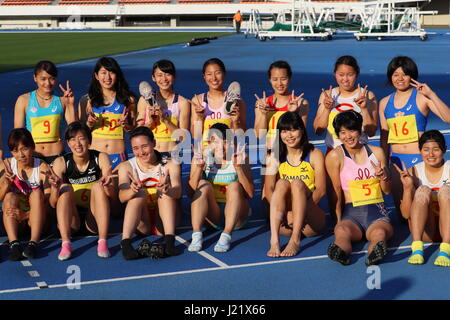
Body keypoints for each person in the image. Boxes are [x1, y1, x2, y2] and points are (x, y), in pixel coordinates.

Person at [378, 56, 450, 213]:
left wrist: (432, 95)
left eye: (405, 74)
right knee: (404, 214)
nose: (400, 78)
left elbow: (448, 118)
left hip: (418, 159)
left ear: (412, 76)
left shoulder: (422, 97)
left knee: (426, 208)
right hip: (396, 161)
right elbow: (384, 138)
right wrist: (385, 164)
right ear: (390, 76)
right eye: (396, 74)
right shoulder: (384, 103)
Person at [326, 111, 393, 266]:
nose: (348, 136)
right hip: (351, 214)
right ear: (337, 135)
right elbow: (335, 191)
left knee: (379, 233)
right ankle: (340, 251)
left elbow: (387, 190)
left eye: (351, 130)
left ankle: (375, 252)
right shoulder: (335, 157)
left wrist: (383, 176)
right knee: (342, 232)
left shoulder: (376, 152)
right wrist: (337, 221)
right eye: (342, 132)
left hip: (376, 212)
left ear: (360, 130)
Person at [48, 121, 115, 261]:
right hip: (72, 220)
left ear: (89, 141)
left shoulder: (100, 157)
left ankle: (102, 242)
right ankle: (66, 243)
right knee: (64, 187)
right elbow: (53, 203)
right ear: (68, 143)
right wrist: (55, 188)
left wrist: (108, 185)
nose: (77, 144)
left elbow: (112, 197)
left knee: (98, 186)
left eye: (81, 138)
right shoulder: (61, 162)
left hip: (94, 219)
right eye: (73, 139)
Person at [265, 112, 326, 257]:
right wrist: (286, 212)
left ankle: (295, 240)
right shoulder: (272, 156)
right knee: (281, 183)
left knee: (298, 184)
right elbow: (268, 190)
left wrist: (302, 210)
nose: (289, 135)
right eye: (285, 131)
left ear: (302, 131)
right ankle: (274, 240)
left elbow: (321, 190)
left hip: (311, 220)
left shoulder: (315, 154)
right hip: (286, 220)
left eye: (293, 130)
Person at [187, 123, 254, 253]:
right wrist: (199, 168)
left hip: (238, 215)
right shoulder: (201, 156)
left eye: (224, 142)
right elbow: (190, 193)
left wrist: (239, 168)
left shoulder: (240, 157)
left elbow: (250, 194)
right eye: (215, 142)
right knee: (202, 185)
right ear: (209, 142)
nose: (220, 147)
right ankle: (196, 235)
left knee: (234, 186)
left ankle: (226, 235)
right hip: (213, 214)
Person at [118, 126, 182, 260]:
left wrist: (168, 189)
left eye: (144, 146)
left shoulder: (170, 164)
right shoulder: (126, 167)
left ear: (153, 143)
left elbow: (178, 192)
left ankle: (170, 241)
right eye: (136, 148)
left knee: (163, 193)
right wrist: (132, 190)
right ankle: (126, 242)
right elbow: (122, 198)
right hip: (142, 222)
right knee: (139, 194)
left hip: (164, 220)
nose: (141, 152)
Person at [255, 60, 309, 216]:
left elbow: (302, 133)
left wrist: (295, 113)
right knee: (268, 207)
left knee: (292, 198)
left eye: (283, 78)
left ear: (290, 78)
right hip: (271, 158)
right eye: (275, 79)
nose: (279, 83)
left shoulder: (301, 102)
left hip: (291, 158)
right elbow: (258, 134)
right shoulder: (263, 103)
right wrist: (264, 114)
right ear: (270, 80)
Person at [393, 130, 450, 267]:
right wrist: (407, 188)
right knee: (423, 190)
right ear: (420, 151)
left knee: (445, 191)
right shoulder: (413, 172)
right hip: (426, 231)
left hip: (447, 228)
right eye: (426, 150)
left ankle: (445, 249)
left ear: (444, 150)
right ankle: (417, 248)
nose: (430, 154)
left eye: (435, 149)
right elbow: (406, 214)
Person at [79, 56, 136, 173]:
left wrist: (126, 126)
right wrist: (89, 124)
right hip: (95, 156)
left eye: (111, 72)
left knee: (118, 190)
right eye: (103, 73)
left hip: (118, 155)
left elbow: (134, 130)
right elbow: (80, 133)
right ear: (96, 76)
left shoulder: (128, 100)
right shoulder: (86, 100)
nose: (107, 77)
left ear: (117, 75)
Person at [0, 128, 51, 260]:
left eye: (24, 149)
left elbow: (49, 201)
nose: (21, 155)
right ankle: (14, 244)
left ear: (32, 147)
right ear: (11, 152)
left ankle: (33, 244)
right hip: (17, 221)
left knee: (36, 194)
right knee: (9, 196)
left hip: (37, 222)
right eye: (16, 151)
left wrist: (27, 215)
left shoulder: (42, 167)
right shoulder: (7, 166)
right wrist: (6, 185)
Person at [14, 60, 76, 164]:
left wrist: (70, 105)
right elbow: (18, 135)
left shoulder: (62, 101)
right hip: (34, 158)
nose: (47, 83)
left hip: (58, 158)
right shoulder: (24, 100)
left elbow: (74, 129)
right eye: (43, 79)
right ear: (35, 78)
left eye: (51, 79)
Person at [313, 55, 378, 153]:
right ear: (335, 74)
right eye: (341, 74)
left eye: (350, 74)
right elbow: (318, 131)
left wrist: (364, 109)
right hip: (334, 153)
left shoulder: (367, 95)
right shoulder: (326, 96)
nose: (345, 79)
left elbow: (371, 132)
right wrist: (327, 109)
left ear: (357, 74)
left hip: (360, 153)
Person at [136, 59, 191, 160]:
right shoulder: (144, 100)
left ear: (174, 77)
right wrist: (151, 122)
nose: (164, 79)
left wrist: (165, 120)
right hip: (149, 156)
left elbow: (183, 138)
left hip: (172, 155)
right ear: (153, 78)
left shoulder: (182, 103)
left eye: (167, 74)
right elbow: (137, 134)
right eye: (159, 75)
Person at [190, 58, 246, 145]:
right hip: (206, 154)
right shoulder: (198, 101)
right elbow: (195, 136)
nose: (214, 78)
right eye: (209, 74)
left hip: (228, 153)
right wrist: (200, 118)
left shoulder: (236, 100)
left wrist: (235, 122)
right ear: (204, 76)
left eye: (218, 73)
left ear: (224, 74)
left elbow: (242, 135)